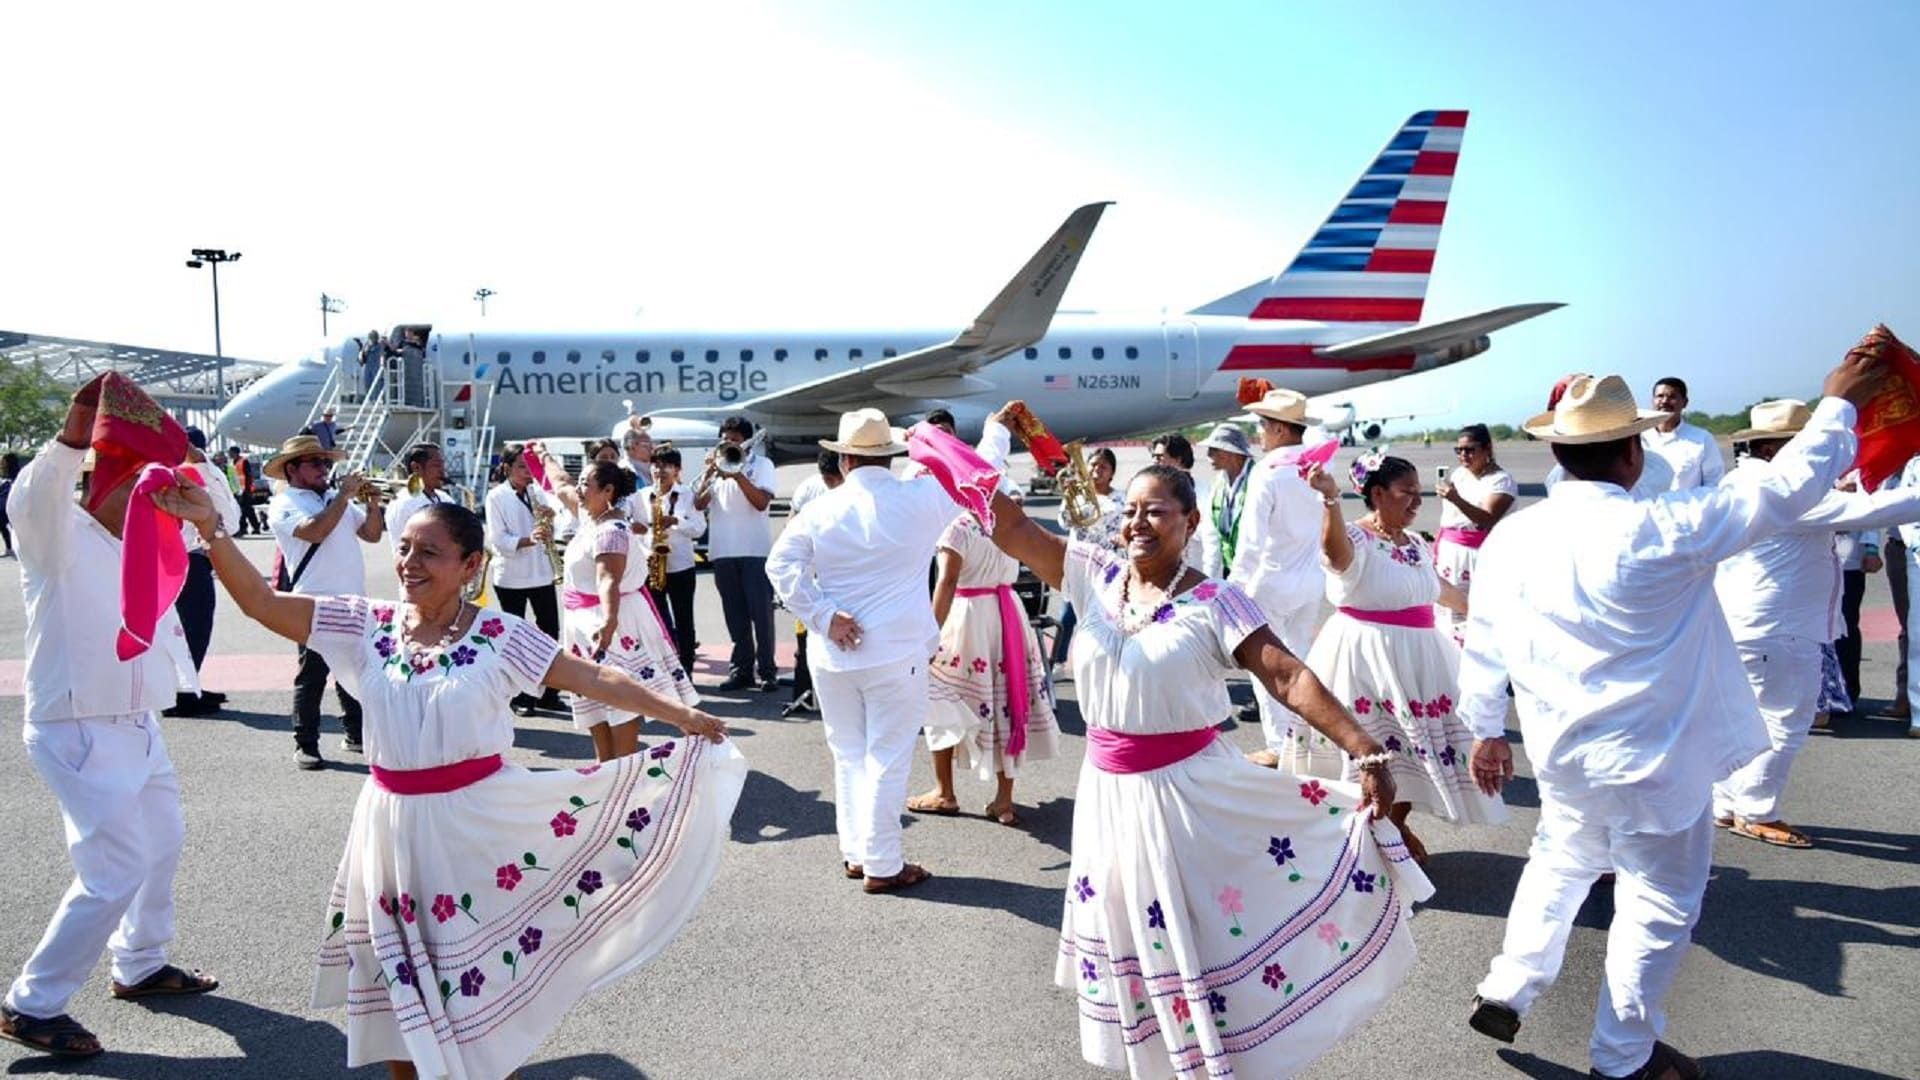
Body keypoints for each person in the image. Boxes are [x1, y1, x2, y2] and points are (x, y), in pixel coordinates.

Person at [154, 486, 742, 1080]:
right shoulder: (363, 622)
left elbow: (591, 676)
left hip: (477, 831)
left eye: (429, 552)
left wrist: (681, 714)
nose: (409, 562)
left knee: (475, 1001)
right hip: (389, 830)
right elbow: (260, 602)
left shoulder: (500, 636)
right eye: (405, 548)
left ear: (470, 566)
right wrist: (212, 529)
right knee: (397, 993)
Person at [1458, 361, 1880, 1080]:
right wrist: (1838, 405)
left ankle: (1508, 985)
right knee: (1656, 902)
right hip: (1657, 766)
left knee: (1560, 862)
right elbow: (1782, 491)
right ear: (1634, 452)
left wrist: (1486, 728)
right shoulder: (1662, 530)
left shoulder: (1514, 540)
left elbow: (1484, 639)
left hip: (1565, 756)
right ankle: (1623, 1057)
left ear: (1557, 453)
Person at [978, 420, 1430, 1079]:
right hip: (1108, 797)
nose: (1137, 523)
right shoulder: (1092, 575)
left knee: (1195, 938)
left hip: (1187, 797)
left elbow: (1287, 675)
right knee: (1132, 931)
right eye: (1129, 511)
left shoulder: (1217, 601)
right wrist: (986, 440)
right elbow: (1012, 529)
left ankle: (1212, 1064)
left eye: (1155, 512)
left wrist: (1364, 750)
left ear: (1189, 522)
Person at [1, 374, 221, 1061]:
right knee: (114, 868)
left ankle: (141, 962)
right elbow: (33, 494)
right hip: (77, 723)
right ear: (101, 483)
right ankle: (30, 1004)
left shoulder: (144, 542)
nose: (152, 495)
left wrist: (192, 495)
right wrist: (76, 431)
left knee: (163, 841)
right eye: (138, 482)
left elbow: (223, 521)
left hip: (135, 720)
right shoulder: (55, 536)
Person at [766, 409, 970, 893]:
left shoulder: (820, 507)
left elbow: (780, 566)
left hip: (834, 651)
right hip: (897, 650)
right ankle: (881, 862)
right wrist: (994, 433)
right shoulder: (923, 498)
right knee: (887, 756)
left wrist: (822, 614)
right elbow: (978, 472)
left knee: (849, 754)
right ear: (890, 456)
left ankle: (858, 852)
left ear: (845, 458)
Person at [1709, 400, 1920, 846]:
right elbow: (1882, 510)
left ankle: (1728, 803)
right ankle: (1758, 810)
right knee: (1786, 721)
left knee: (1745, 721)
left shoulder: (1746, 482)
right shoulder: (1783, 495)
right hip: (1780, 625)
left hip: (1750, 622)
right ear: (1772, 449)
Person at [1299, 452, 1498, 864]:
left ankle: (1392, 825)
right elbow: (1335, 556)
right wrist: (1330, 500)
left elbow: (1437, 588)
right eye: (1406, 492)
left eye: (1417, 492)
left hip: (1421, 658)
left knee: (1415, 754)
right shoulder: (1356, 537)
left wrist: (1489, 612)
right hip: (1365, 657)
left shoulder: (1416, 543)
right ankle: (1372, 838)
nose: (1416, 500)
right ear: (1377, 494)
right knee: (1375, 752)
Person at [910, 508, 1061, 825]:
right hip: (1008, 612)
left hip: (967, 618)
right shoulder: (1008, 520)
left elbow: (947, 580)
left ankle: (944, 792)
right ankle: (1004, 800)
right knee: (1008, 700)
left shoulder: (957, 527)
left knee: (942, 698)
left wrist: (930, 633)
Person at [560, 461, 701, 762]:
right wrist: (540, 456)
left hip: (612, 622)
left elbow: (608, 579)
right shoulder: (593, 521)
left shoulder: (611, 530)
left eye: (585, 483)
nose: (579, 488)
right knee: (595, 696)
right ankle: (606, 769)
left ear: (608, 491)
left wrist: (609, 624)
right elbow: (560, 486)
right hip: (586, 623)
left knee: (617, 695)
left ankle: (623, 772)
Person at [267, 434, 386, 769]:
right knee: (313, 675)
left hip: (353, 597)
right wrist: (346, 496)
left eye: (326, 462)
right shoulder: (285, 503)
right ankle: (305, 743)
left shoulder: (336, 497)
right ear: (292, 468)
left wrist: (374, 503)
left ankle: (355, 735)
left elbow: (372, 535)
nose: (324, 468)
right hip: (313, 600)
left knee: (355, 671)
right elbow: (315, 531)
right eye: (315, 462)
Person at [1228, 387, 1328, 769]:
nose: (1261, 434)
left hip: (1270, 581)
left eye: (1265, 426)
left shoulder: (1268, 471)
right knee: (1300, 660)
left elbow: (1251, 541)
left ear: (1282, 430)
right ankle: (1303, 737)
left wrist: (1233, 590)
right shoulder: (1319, 467)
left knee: (1264, 666)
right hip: (1310, 580)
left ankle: (1279, 744)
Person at [484, 446, 571, 717]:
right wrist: (527, 540)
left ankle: (549, 692)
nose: (527, 472)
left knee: (550, 632)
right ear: (508, 468)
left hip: (541, 573)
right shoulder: (496, 496)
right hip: (511, 577)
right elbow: (497, 540)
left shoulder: (537, 492)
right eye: (521, 466)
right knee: (516, 639)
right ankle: (521, 696)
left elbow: (558, 523)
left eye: (529, 467)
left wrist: (550, 519)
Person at [695, 416, 779, 692]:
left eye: (734, 439)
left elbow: (761, 502)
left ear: (745, 440)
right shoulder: (719, 466)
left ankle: (768, 671)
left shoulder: (762, 465)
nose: (729, 443)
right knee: (735, 616)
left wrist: (738, 474)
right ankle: (741, 670)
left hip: (755, 550)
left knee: (761, 615)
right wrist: (710, 473)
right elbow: (697, 504)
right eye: (725, 439)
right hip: (723, 551)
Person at [165, 426, 241, 718]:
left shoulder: (164, 474)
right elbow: (230, 520)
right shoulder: (196, 476)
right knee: (194, 626)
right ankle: (183, 694)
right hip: (190, 557)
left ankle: (186, 686)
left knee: (181, 628)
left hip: (177, 558)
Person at [1433, 423, 1517, 643]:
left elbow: (1487, 518)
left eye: (1470, 450)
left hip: (1478, 554)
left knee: (1479, 611)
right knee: (1448, 610)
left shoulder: (1501, 480)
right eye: (1459, 450)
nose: (1463, 455)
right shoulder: (1459, 475)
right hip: (1451, 552)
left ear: (1487, 449)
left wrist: (1456, 499)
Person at [1048, 446, 1122, 670]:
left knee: (1107, 615)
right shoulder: (1077, 493)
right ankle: (1058, 662)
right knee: (1067, 615)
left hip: (1107, 566)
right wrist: (1068, 495)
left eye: (1103, 467)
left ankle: (1109, 660)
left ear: (1112, 472)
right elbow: (1064, 522)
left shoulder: (1121, 499)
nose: (1097, 470)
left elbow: (1121, 528)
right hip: (1079, 564)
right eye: (1093, 465)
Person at [783, 451, 843, 717]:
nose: (831, 484)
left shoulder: (853, 492)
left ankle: (834, 696)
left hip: (838, 577)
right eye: (828, 479)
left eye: (834, 479)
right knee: (804, 640)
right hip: (811, 575)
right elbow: (790, 524)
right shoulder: (809, 487)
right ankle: (804, 693)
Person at [637, 448, 703, 677]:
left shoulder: (687, 495)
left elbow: (699, 529)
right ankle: (664, 670)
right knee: (656, 622)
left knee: (685, 621)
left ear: (677, 470)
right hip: (651, 567)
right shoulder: (641, 496)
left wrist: (675, 521)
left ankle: (686, 670)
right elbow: (634, 529)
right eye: (655, 464)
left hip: (681, 567)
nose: (659, 470)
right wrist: (647, 539)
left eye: (665, 465)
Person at [1641, 377, 1726, 490]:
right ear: (1652, 401)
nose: (1665, 401)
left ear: (1685, 402)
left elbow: (1714, 484)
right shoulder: (1638, 439)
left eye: (1672, 397)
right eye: (1660, 396)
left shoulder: (1702, 439)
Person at [1196, 422, 1253, 579]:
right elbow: (1212, 535)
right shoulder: (1219, 485)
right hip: (1231, 572)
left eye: (1213, 450)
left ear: (1230, 452)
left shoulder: (1258, 479)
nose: (1208, 456)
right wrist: (1208, 577)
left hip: (1257, 573)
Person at [383, 443, 458, 554]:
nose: (443, 471)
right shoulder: (404, 503)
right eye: (436, 465)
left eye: (442, 465)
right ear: (416, 468)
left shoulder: (444, 498)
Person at [1149, 432, 1205, 566]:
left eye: (1160, 457)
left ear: (1178, 459)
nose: (1154, 462)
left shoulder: (1203, 491)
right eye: (1153, 457)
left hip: (1195, 565)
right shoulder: (1153, 491)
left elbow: (1208, 535)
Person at [229, 444, 263, 537]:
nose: (229, 454)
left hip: (245, 489)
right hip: (237, 490)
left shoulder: (243, 461)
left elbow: (248, 476)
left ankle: (256, 527)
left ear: (235, 453)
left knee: (248, 509)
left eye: (230, 452)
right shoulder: (233, 462)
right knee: (240, 510)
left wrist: (247, 490)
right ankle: (243, 528)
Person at [0, 450, 17, 557]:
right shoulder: (3, 473)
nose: (1, 463)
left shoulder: (16, 474)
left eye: (3, 461)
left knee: (16, 527)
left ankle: (12, 548)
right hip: (2, 505)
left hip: (10, 504)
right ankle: (9, 548)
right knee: (2, 525)